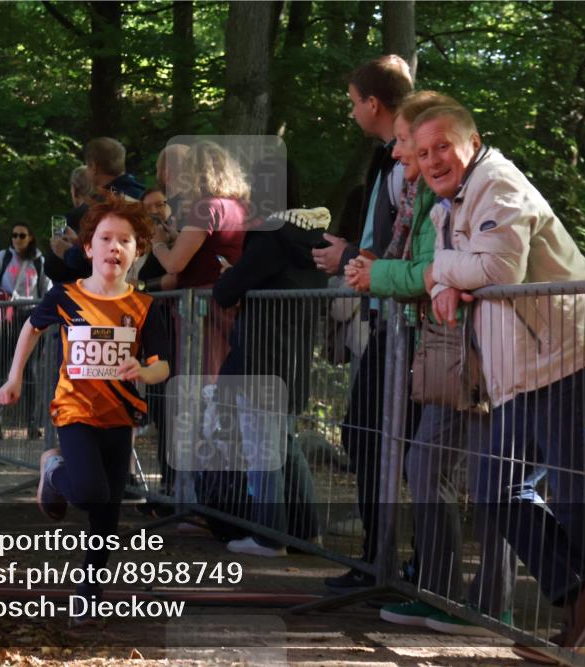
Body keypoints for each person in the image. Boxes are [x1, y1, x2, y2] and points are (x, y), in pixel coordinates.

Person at [414, 104, 585, 660]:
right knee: (494, 491)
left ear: (472, 142)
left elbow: (499, 271)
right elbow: (449, 277)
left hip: (566, 359)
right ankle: (584, 601)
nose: (433, 159)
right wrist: (445, 282)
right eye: (424, 150)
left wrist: (441, 274)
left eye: (443, 147)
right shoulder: (445, 205)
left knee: (579, 497)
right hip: (515, 374)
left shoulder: (499, 184)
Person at [344, 91, 516, 634]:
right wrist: (433, 275)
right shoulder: (438, 195)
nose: (401, 156)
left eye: (407, 144)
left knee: (495, 477)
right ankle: (441, 590)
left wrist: (401, 277)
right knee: (428, 465)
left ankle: (492, 603)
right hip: (451, 345)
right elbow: (436, 266)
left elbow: (446, 267)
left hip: (503, 350)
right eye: (409, 146)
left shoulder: (493, 187)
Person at [0, 195, 169, 617]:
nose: (115, 247)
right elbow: (32, 329)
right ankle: (54, 471)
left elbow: (162, 365)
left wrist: (144, 373)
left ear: (137, 250)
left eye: (124, 240)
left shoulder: (145, 308)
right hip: (74, 412)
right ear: (88, 248)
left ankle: (88, 592)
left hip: (120, 417)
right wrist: (14, 376)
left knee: (108, 514)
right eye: (105, 238)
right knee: (92, 493)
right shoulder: (66, 295)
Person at [313, 54, 414, 593]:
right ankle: (384, 558)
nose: (351, 113)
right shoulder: (386, 159)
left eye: (353, 104)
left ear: (373, 104)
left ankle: (389, 563)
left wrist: (347, 254)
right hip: (388, 315)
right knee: (371, 434)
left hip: (406, 320)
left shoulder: (403, 163)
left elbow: (404, 242)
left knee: (372, 434)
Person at [212, 158, 326, 556]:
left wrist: (231, 275)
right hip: (294, 357)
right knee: (284, 443)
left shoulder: (268, 234)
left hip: (260, 356)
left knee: (265, 447)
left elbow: (227, 292)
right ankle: (307, 530)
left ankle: (268, 535)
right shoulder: (316, 236)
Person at [150, 140, 250, 382]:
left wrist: (158, 244)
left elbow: (175, 264)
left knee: (202, 378)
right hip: (228, 302)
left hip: (203, 309)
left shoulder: (206, 207)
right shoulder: (239, 207)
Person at [0, 223, 51, 440]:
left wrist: (45, 315)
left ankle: (32, 423)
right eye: (14, 235)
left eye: (21, 235)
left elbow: (48, 289)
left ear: (30, 237)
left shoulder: (39, 260)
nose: (17, 239)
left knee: (31, 372)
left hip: (31, 320)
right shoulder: (3, 257)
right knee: (0, 370)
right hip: (5, 321)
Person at [47, 138, 146, 283]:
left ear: (94, 167)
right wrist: (79, 242)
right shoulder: (144, 195)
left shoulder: (108, 202)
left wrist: (67, 252)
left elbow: (106, 250)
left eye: (87, 166)